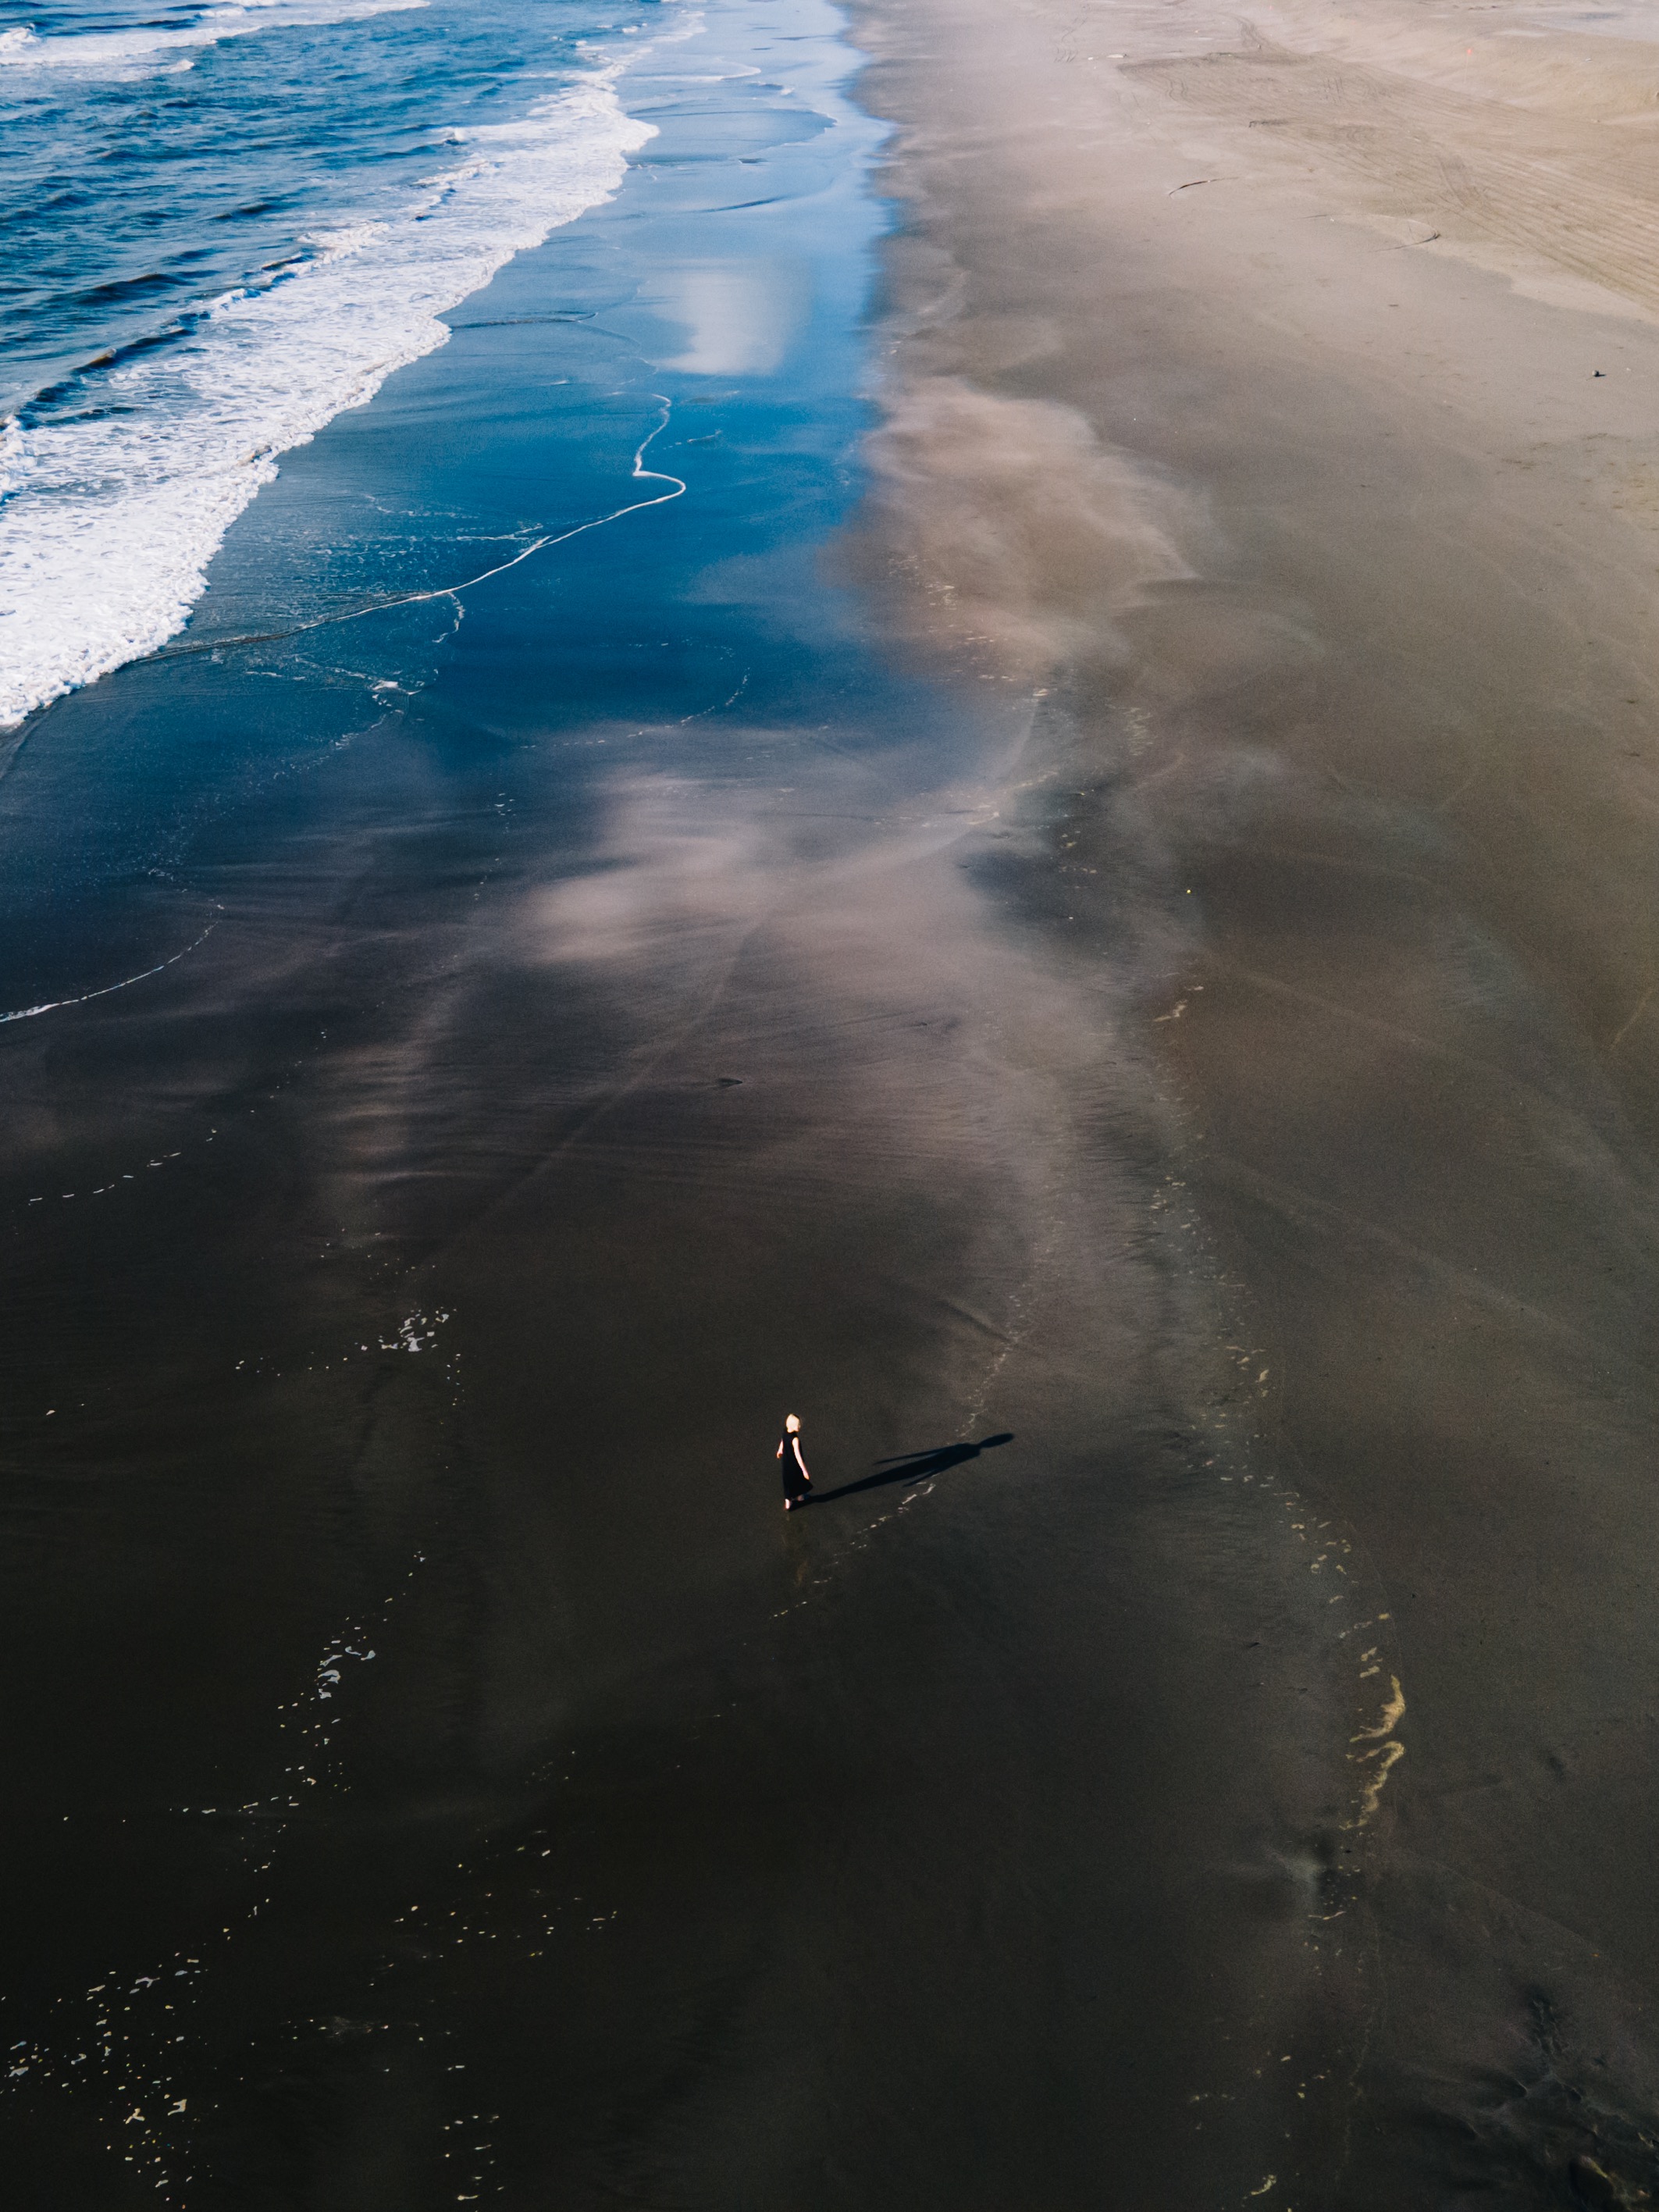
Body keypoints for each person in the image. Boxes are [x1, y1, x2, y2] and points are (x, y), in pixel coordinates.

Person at [777, 1413, 813, 1511]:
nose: (800, 1426)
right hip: (794, 1464)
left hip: (786, 1462)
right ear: (793, 1425)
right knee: (799, 1479)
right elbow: (798, 1456)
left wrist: (780, 1450)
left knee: (788, 1481)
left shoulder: (785, 1432)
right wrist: (804, 1471)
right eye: (798, 1425)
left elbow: (783, 1441)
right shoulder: (795, 1439)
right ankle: (800, 1497)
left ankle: (788, 1503)